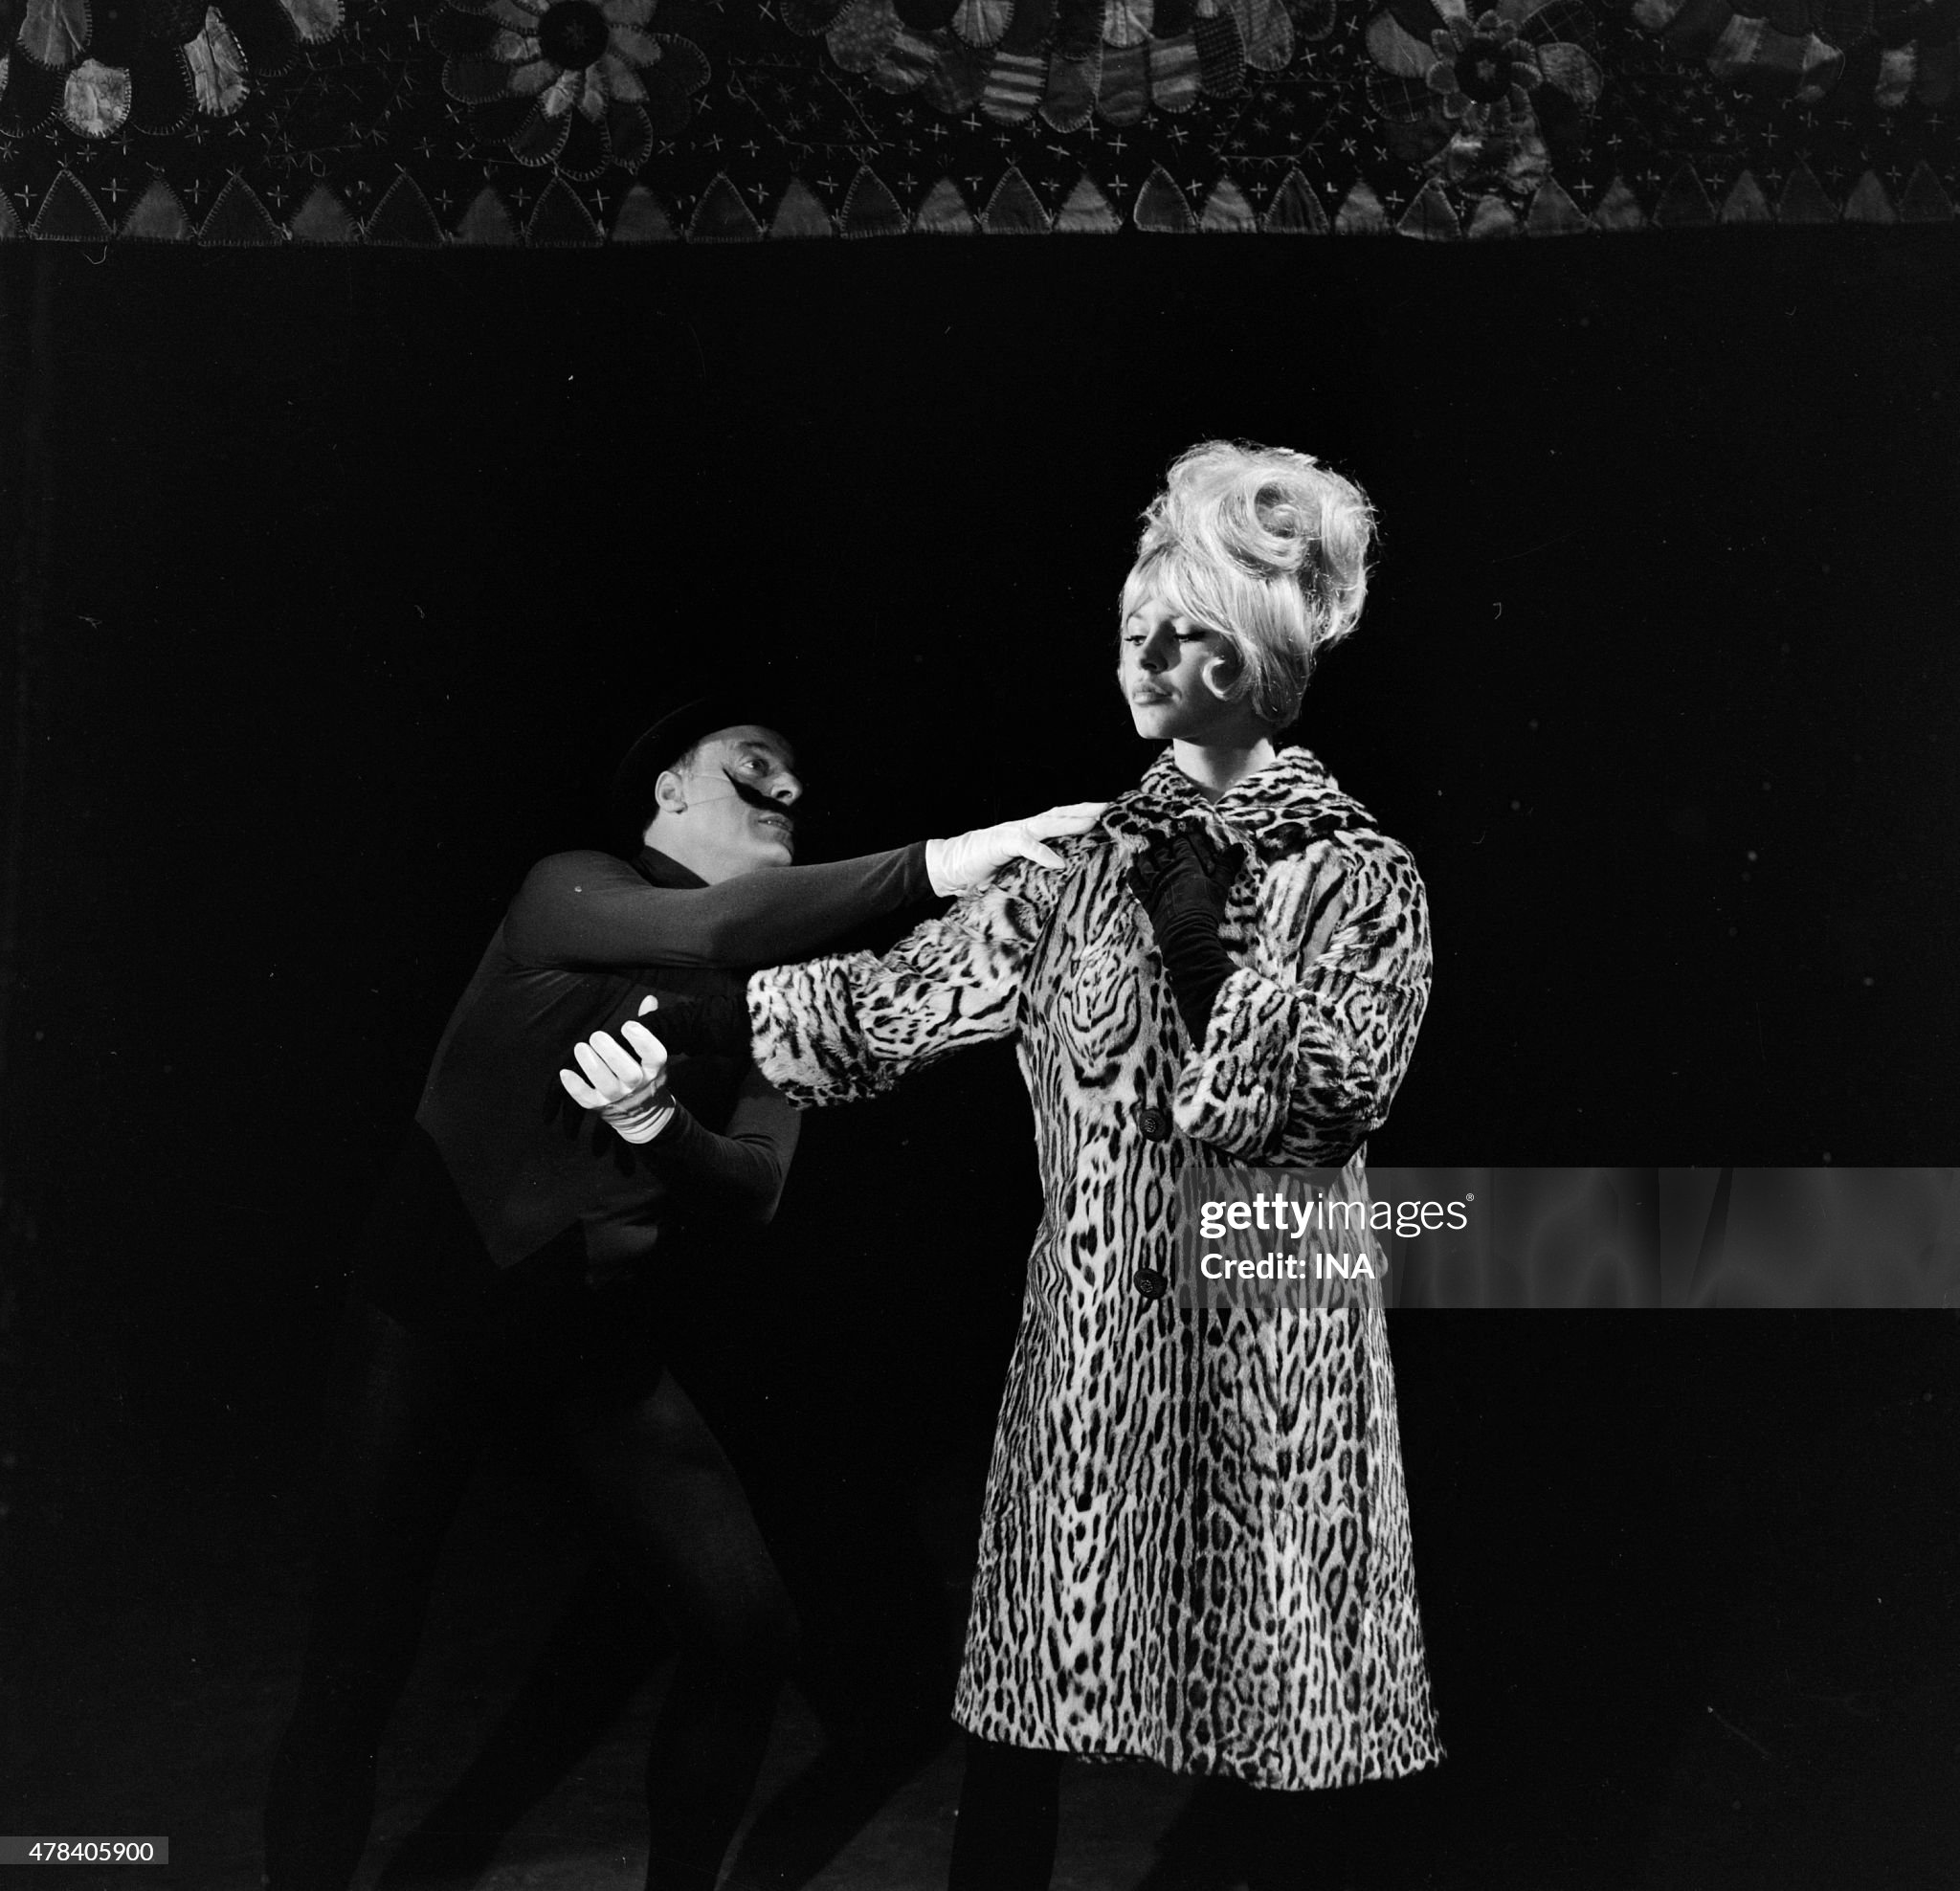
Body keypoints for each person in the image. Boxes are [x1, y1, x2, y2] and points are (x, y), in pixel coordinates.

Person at [568, 442, 1443, 1890]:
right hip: (1097, 1336)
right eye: (1128, 630)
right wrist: (690, 1032)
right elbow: (879, 1008)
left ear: (1252, 660)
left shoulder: (1359, 874)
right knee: (1035, 1705)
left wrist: (1216, 964)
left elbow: (1328, 1107)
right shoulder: (1080, 871)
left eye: (1179, 634)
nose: (1141, 659)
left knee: (1283, 1722)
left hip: (1282, 1346)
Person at [263, 690, 1101, 1891]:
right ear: (667, 789)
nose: (790, 793)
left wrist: (661, 1127)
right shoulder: (570, 885)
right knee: (357, 1661)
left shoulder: (788, 984)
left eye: (798, 780)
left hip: (589, 1344)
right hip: (430, 1320)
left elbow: (756, 1182)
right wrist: (945, 862)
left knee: (746, 1631)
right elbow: (712, 933)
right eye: (755, 763)